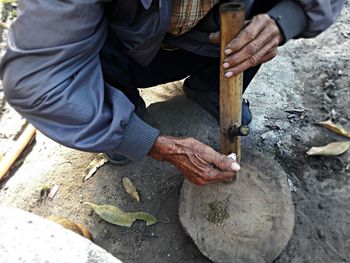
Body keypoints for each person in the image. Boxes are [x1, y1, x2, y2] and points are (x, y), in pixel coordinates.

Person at [0, 0, 345, 185]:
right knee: (82, 55)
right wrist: (150, 143)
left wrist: (286, 19)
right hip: (126, 49)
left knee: (255, 22)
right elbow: (38, 84)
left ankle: (211, 87)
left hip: (207, 39)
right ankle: (122, 119)